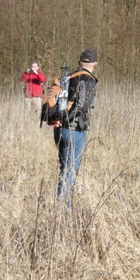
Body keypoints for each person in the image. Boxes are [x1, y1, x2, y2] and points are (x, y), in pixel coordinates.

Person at [50, 49, 98, 209]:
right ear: (95, 65)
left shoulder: (66, 77)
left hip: (58, 129)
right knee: (70, 169)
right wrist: (69, 121)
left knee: (64, 168)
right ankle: (64, 209)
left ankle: (60, 205)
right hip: (74, 130)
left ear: (79, 63)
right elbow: (83, 107)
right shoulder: (88, 80)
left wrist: (59, 120)